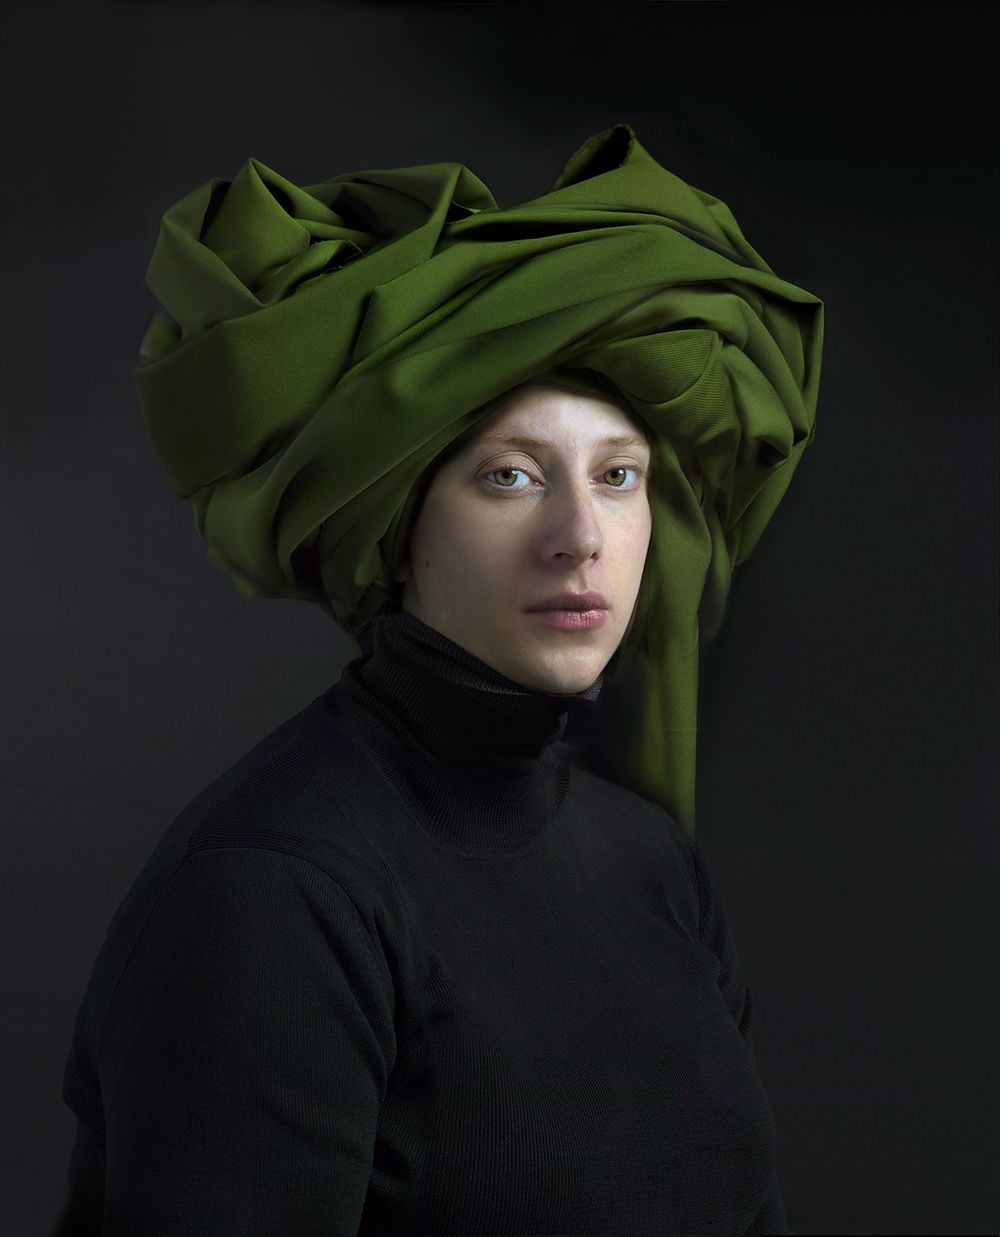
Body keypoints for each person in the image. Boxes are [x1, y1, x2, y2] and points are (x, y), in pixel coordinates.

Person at [53, 122, 823, 1234]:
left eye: (618, 476)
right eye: (510, 477)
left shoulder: (649, 861)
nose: (580, 535)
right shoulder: (277, 892)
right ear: (398, 529)